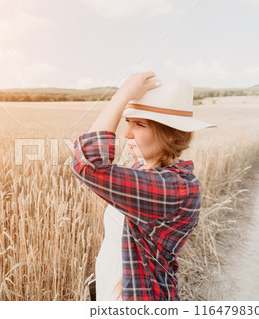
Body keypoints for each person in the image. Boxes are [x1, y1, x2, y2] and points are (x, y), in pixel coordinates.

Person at [71, 71, 216, 301]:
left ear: (170, 134)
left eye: (139, 124)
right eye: (128, 122)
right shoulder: (142, 169)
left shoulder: (173, 189)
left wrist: (122, 95)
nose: (126, 133)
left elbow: (89, 164)